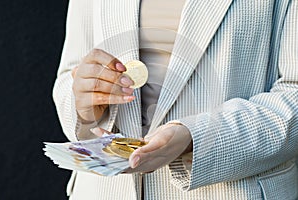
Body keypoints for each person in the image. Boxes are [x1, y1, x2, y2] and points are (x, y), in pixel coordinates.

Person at [53, 0, 298, 199]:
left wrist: (194, 137)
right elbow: (71, 75)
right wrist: (85, 107)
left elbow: (294, 94)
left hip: (230, 191)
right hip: (103, 191)